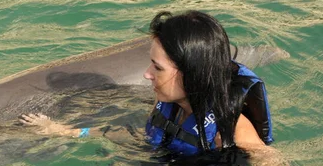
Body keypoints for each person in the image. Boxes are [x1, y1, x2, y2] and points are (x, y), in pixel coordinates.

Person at [20, 10, 274, 156]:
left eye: (158, 67)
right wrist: (66, 131)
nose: (147, 74)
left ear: (191, 74)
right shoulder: (168, 106)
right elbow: (140, 136)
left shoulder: (231, 128)